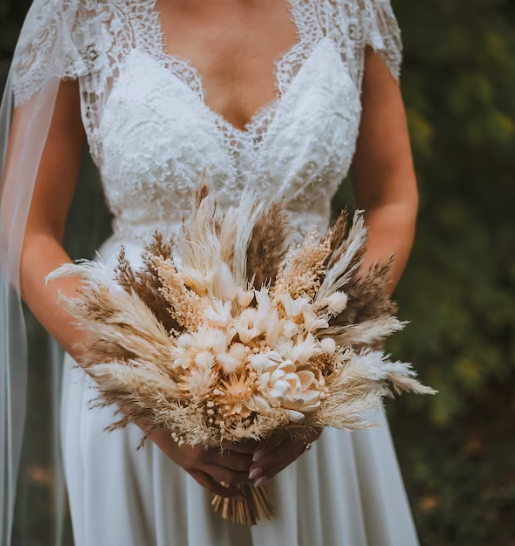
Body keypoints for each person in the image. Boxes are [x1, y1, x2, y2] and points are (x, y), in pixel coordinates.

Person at [0, 0, 420, 545]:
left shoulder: (351, 8)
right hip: (137, 384)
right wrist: (147, 395)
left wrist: (322, 369)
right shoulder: (79, 12)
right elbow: (23, 230)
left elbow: (392, 200)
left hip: (317, 380)